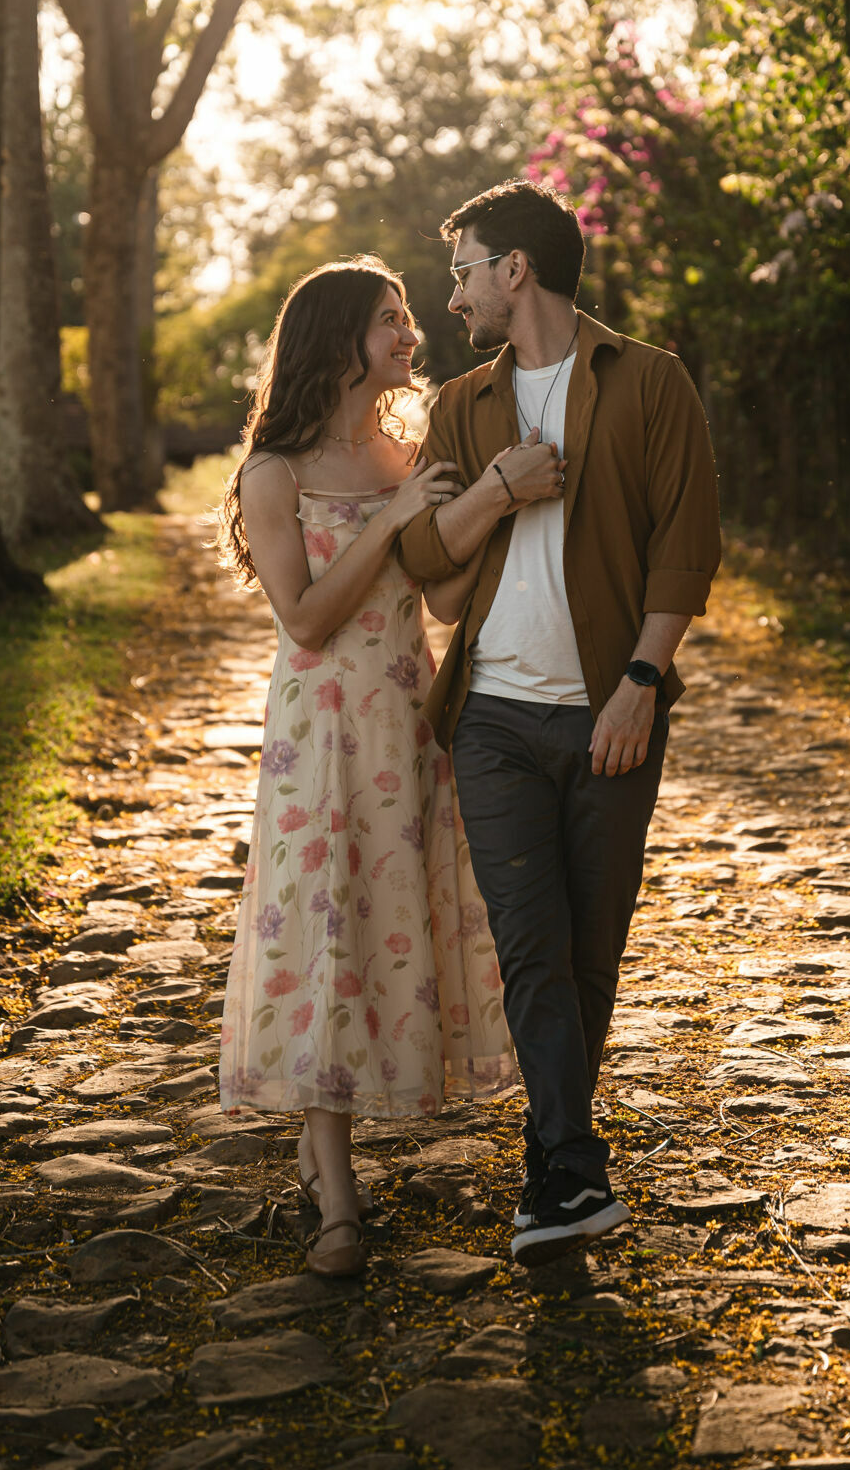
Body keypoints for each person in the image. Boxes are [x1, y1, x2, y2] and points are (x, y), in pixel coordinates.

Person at [397, 180, 721, 1267]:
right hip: (490, 715)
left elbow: (685, 542)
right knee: (530, 947)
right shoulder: (460, 406)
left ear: (515, 271)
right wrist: (497, 486)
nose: (452, 298)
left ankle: (555, 1168)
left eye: (462, 271)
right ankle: (573, 1165)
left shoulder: (650, 383)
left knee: (588, 950)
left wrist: (640, 679)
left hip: (610, 712)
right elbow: (431, 573)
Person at [216, 256, 524, 1278]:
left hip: (405, 720)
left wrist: (486, 511)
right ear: (336, 337)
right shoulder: (276, 472)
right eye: (388, 320)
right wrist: (392, 521)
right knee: (325, 928)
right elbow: (303, 619)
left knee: (388, 924)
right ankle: (334, 1190)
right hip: (321, 735)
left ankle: (322, 1150)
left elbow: (435, 603)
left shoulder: (406, 449)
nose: (408, 334)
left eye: (405, 317)